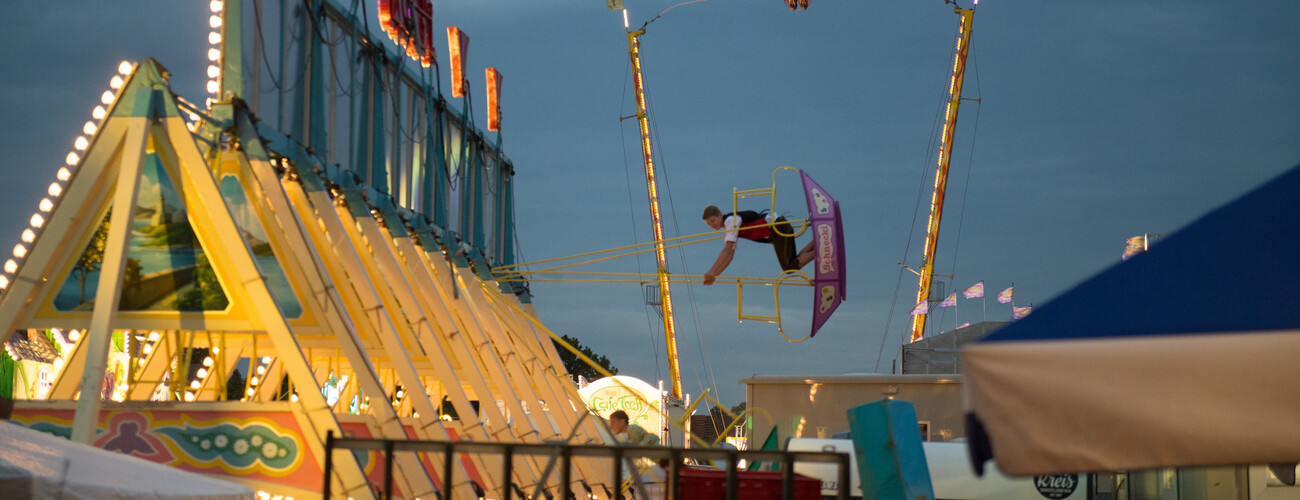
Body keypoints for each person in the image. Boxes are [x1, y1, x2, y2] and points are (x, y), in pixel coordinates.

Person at [701, 205, 815, 285]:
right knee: (793, 262)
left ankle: (819, 251)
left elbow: (727, 249)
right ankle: (816, 243)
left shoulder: (730, 221)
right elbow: (730, 255)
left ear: (720, 214)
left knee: (789, 267)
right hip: (777, 230)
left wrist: (712, 270)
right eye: (709, 224)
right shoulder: (730, 227)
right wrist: (715, 275)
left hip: (777, 228)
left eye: (712, 220)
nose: (712, 224)